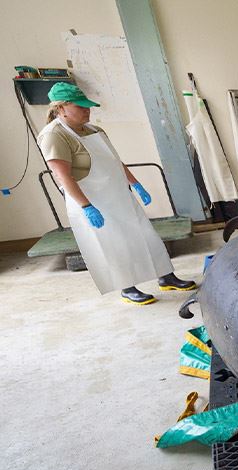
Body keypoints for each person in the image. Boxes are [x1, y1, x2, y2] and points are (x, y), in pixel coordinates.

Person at [38, 82, 196, 305]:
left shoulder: (95, 130)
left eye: (88, 106)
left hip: (118, 193)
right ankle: (127, 288)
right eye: (80, 106)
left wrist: (136, 184)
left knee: (144, 234)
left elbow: (114, 160)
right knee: (113, 243)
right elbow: (63, 177)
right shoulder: (54, 135)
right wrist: (86, 207)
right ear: (61, 108)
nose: (87, 110)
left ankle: (166, 276)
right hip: (92, 200)